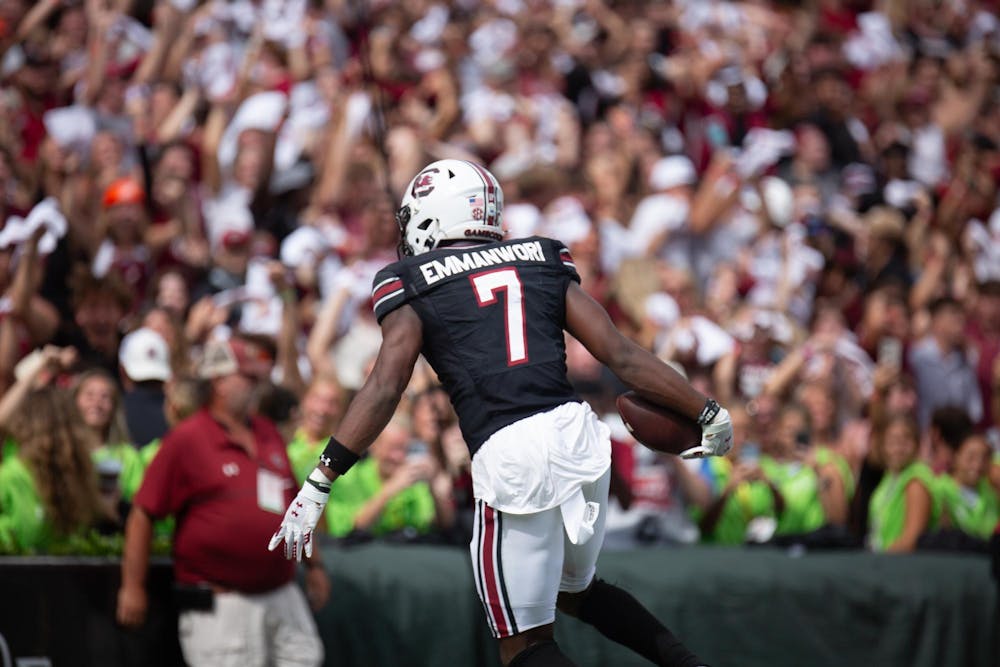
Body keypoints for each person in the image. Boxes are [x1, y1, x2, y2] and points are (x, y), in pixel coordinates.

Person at [269, 160, 732, 667]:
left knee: (522, 644)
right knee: (574, 591)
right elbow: (619, 353)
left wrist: (321, 477)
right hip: (578, 436)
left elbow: (385, 385)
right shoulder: (540, 255)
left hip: (514, 454)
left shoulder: (410, 278)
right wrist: (706, 410)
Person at [117, 336, 327, 667]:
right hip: (223, 602)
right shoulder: (187, 439)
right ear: (219, 381)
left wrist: (314, 566)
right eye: (247, 377)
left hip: (281, 592)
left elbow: (293, 506)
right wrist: (133, 586)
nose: (257, 385)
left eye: (259, 378)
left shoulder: (268, 433)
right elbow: (143, 513)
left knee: (307, 658)